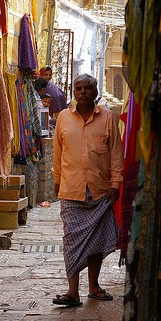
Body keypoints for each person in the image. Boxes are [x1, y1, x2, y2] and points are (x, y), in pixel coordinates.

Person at [51, 73, 123, 307]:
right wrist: (57, 180)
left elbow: (115, 154)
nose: (82, 92)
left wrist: (116, 183)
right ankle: (73, 291)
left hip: (101, 190)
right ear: (73, 91)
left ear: (95, 91)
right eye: (78, 88)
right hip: (71, 190)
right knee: (71, 239)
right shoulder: (63, 117)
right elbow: (58, 153)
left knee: (97, 240)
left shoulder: (109, 118)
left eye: (87, 88)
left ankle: (93, 286)